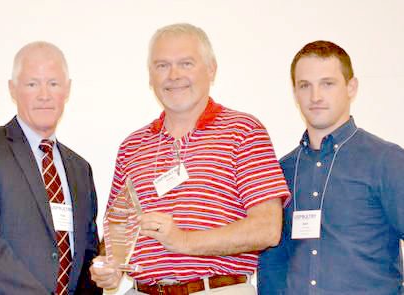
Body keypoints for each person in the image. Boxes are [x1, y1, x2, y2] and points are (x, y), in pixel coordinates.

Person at [89, 23, 290, 295]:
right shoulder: (132, 146)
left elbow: (267, 228)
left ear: (211, 69)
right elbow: (118, 228)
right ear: (150, 77)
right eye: (162, 66)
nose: (174, 75)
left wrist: (183, 240)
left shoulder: (243, 132)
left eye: (186, 63)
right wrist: (109, 264)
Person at [0, 41, 101, 295]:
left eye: (53, 83)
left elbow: (87, 253)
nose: (44, 95)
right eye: (32, 84)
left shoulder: (80, 169)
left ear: (67, 89)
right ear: (13, 89)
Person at [257, 40, 404, 294]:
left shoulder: (386, 160)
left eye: (328, 83)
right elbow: (272, 263)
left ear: (351, 87)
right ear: (295, 93)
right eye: (305, 86)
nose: (315, 96)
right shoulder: (281, 170)